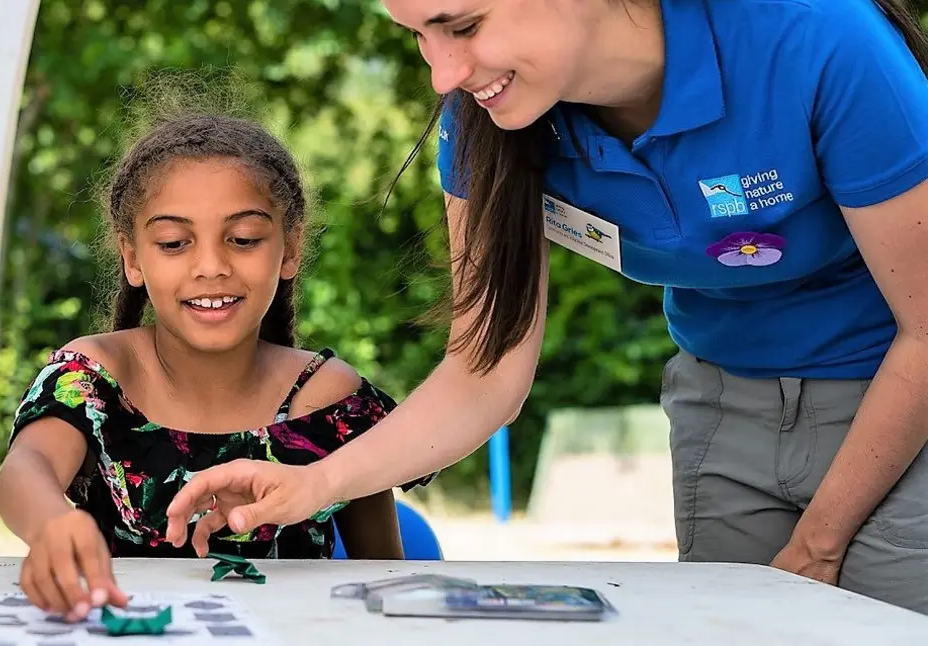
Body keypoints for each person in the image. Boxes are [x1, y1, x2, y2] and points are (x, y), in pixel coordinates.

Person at [165, 0, 928, 614]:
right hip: (720, 404)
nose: (443, 74)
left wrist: (822, 540)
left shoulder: (821, 36)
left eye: (461, 26)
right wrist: (315, 483)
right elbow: (482, 374)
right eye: (419, 36)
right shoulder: (484, 115)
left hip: (898, 407)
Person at [0, 76, 431, 620]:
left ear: (289, 249)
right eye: (174, 244)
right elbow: (23, 470)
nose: (210, 266)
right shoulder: (93, 375)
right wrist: (51, 522)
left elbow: (381, 577)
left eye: (243, 238)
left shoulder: (330, 398)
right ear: (132, 258)